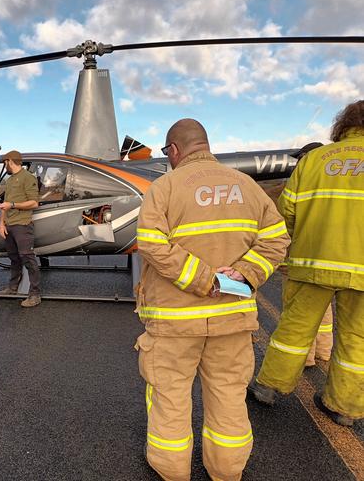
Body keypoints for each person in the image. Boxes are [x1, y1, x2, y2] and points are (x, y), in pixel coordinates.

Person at [134, 119, 289, 481]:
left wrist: (204, 279)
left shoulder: (165, 188)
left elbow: (151, 243)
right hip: (232, 320)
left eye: (165, 151)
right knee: (228, 396)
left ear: (174, 149)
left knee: (170, 397)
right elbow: (277, 240)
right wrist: (245, 273)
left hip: (173, 323)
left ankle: (171, 469)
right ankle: (226, 469)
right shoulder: (248, 187)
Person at [249, 101, 364, 427]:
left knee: (294, 329)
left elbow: (286, 213)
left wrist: (287, 253)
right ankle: (343, 407)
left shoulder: (314, 160)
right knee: (357, 339)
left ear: (343, 125)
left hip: (312, 262)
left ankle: (269, 388)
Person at [286, 142, 334, 368]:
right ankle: (324, 351)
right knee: (325, 312)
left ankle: (305, 358)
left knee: (300, 315)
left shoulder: (306, 179)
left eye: (300, 158)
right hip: (344, 259)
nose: (298, 163)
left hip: (311, 259)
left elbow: (287, 215)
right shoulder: (341, 179)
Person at [0, 150, 41, 307]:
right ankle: (12, 288)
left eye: (5, 162)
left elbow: (34, 203)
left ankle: (35, 294)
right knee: (14, 257)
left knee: (27, 257)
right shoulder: (10, 181)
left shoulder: (28, 178)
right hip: (9, 225)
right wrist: (1, 224)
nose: (4, 166)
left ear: (10, 161)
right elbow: (5, 205)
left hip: (22, 224)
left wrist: (13, 205)